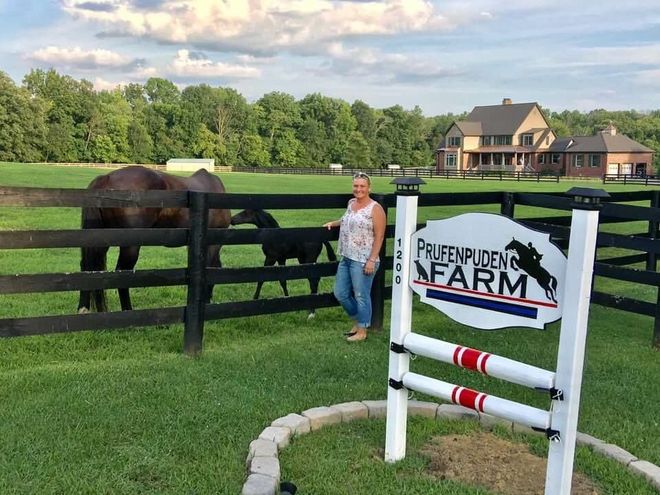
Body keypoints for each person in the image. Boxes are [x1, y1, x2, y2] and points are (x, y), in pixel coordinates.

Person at [323, 172, 386, 342]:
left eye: (362, 186)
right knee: (341, 293)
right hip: (347, 257)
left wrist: (372, 260)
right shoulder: (351, 203)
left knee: (361, 295)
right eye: (356, 186)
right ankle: (359, 322)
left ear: (369, 188)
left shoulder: (375, 209)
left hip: (364, 260)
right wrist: (333, 223)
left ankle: (362, 331)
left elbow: (379, 236)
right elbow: (346, 219)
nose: (358, 189)